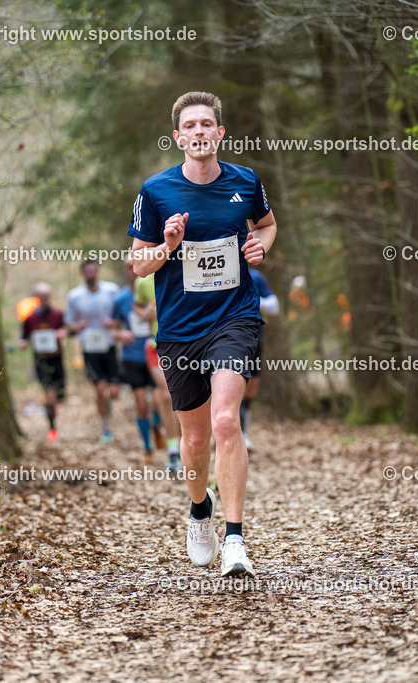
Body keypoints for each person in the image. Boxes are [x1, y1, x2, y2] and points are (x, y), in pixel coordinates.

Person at [128, 91, 276, 578]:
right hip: (179, 329)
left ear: (219, 132)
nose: (198, 132)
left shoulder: (245, 181)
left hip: (234, 317)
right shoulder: (156, 191)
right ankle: (199, 511)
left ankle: (235, 539)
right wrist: (167, 244)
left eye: (206, 124)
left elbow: (268, 225)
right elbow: (137, 265)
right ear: (177, 137)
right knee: (194, 439)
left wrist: (258, 247)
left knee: (226, 421)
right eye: (189, 126)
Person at [112, 257, 166, 463]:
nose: (133, 270)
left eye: (135, 265)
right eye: (129, 267)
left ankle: (159, 425)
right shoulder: (120, 300)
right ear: (126, 270)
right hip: (132, 356)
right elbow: (114, 329)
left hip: (157, 349)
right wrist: (120, 334)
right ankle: (147, 447)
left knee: (161, 399)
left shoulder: (159, 284)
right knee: (141, 402)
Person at [65, 260, 121, 443]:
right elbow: (69, 325)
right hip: (89, 348)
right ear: (82, 274)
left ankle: (108, 403)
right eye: (87, 272)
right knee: (99, 390)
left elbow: (122, 316)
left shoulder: (111, 291)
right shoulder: (75, 296)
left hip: (109, 345)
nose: (91, 274)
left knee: (113, 391)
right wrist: (77, 326)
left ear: (97, 272)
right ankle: (106, 427)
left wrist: (113, 324)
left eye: (93, 271)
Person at [134, 272, 182, 472]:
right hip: (156, 344)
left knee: (180, 394)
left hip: (183, 342)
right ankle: (173, 449)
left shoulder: (181, 269)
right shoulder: (143, 280)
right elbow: (137, 305)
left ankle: (184, 445)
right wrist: (145, 314)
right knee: (167, 392)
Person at [20, 283, 67, 442]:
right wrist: (23, 343)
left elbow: (68, 329)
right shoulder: (31, 318)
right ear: (37, 297)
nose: (44, 299)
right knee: (49, 395)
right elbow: (24, 336)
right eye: (41, 296)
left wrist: (63, 332)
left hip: (57, 359)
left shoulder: (58, 315)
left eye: (47, 296)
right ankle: (52, 428)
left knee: (60, 396)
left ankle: (54, 405)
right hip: (41, 361)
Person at [241, 266, 280, 451]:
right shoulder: (219, 272)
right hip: (225, 341)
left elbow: (274, 306)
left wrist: (254, 299)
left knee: (250, 389)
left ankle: (243, 431)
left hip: (255, 339)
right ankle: (237, 434)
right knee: (233, 386)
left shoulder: (256, 276)